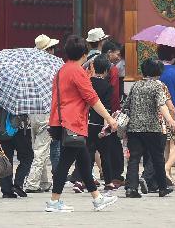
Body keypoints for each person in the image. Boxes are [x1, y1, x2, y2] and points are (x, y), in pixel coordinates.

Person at [46, 35, 118, 213]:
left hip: (60, 120)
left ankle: (97, 198)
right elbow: (92, 98)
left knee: (84, 160)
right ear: (84, 54)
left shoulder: (62, 70)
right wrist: (109, 119)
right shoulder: (77, 71)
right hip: (73, 122)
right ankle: (54, 201)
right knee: (65, 163)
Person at [124, 58, 175, 198]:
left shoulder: (136, 85)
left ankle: (131, 188)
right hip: (152, 127)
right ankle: (162, 188)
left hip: (134, 127)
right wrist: (170, 120)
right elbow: (161, 105)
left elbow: (126, 105)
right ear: (158, 72)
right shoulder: (156, 86)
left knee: (134, 158)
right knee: (157, 158)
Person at [25, 33, 59, 194]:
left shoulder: (29, 67)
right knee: (41, 150)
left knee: (39, 147)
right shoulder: (52, 68)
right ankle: (32, 182)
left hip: (32, 112)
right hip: (46, 112)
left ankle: (44, 182)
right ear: (49, 50)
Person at [157, 45, 175, 182]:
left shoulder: (156, 70)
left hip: (159, 114)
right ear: (174, 56)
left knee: (166, 145)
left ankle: (168, 174)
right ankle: (165, 169)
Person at [86, 54, 115, 187]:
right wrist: (107, 126)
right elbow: (107, 107)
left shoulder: (87, 83)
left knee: (88, 153)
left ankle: (84, 180)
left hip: (87, 122)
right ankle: (108, 181)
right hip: (100, 123)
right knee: (105, 154)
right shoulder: (107, 86)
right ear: (106, 70)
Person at [101, 38, 125, 186]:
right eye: (117, 54)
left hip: (93, 110)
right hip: (110, 111)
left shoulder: (91, 64)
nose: (119, 57)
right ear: (109, 53)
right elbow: (115, 95)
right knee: (114, 144)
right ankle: (116, 175)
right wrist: (115, 113)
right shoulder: (113, 69)